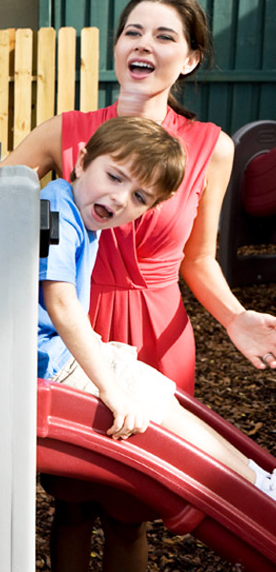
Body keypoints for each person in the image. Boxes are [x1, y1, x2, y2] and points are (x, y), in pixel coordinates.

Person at [0, 0, 276, 570]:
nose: (144, 45)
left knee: (134, 509)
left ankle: (252, 481)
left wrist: (235, 317)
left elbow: (199, 260)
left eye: (164, 36)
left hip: (154, 335)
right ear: (119, 45)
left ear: (191, 58)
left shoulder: (211, 147)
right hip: (72, 326)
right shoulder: (66, 132)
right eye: (133, 31)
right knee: (68, 504)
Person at [29, 115, 276, 498]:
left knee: (160, 396)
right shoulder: (57, 215)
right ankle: (254, 487)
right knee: (155, 415)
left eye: (139, 197)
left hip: (55, 355)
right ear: (80, 162)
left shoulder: (71, 206)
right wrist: (110, 389)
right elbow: (59, 302)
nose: (119, 198)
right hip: (44, 366)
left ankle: (257, 478)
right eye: (114, 177)